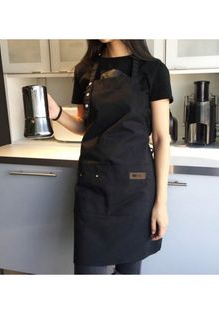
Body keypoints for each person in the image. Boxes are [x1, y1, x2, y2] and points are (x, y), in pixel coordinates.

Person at [47, 40, 174, 275]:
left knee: (128, 273)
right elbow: (85, 126)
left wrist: (161, 204)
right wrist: (57, 114)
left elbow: (160, 138)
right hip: (93, 185)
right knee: (87, 271)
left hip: (135, 189)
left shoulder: (153, 70)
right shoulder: (84, 70)